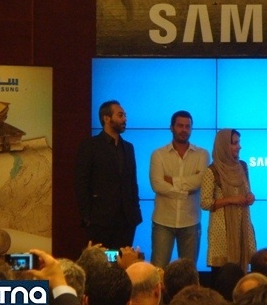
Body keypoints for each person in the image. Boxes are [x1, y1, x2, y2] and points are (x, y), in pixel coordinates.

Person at [74, 100, 142, 249]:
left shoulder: (128, 148)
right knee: (104, 261)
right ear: (106, 118)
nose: (125, 119)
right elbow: (81, 183)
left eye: (125, 115)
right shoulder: (90, 146)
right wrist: (87, 217)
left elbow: (132, 182)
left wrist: (136, 211)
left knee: (122, 260)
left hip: (126, 220)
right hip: (100, 220)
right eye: (120, 115)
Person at [149, 110, 209, 268]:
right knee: (158, 270)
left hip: (191, 221)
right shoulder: (158, 154)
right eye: (180, 126)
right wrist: (185, 191)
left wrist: (171, 180)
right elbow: (157, 185)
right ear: (171, 127)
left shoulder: (202, 154)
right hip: (163, 221)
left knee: (188, 270)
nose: (184, 130)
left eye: (187, 126)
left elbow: (199, 182)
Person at [200, 129, 257, 279]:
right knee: (222, 277)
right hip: (222, 230)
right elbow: (205, 203)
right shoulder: (212, 171)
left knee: (242, 277)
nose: (239, 147)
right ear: (224, 146)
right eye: (235, 143)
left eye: (239, 143)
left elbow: (247, 191)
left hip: (242, 227)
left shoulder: (242, 166)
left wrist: (250, 197)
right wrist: (231, 200)